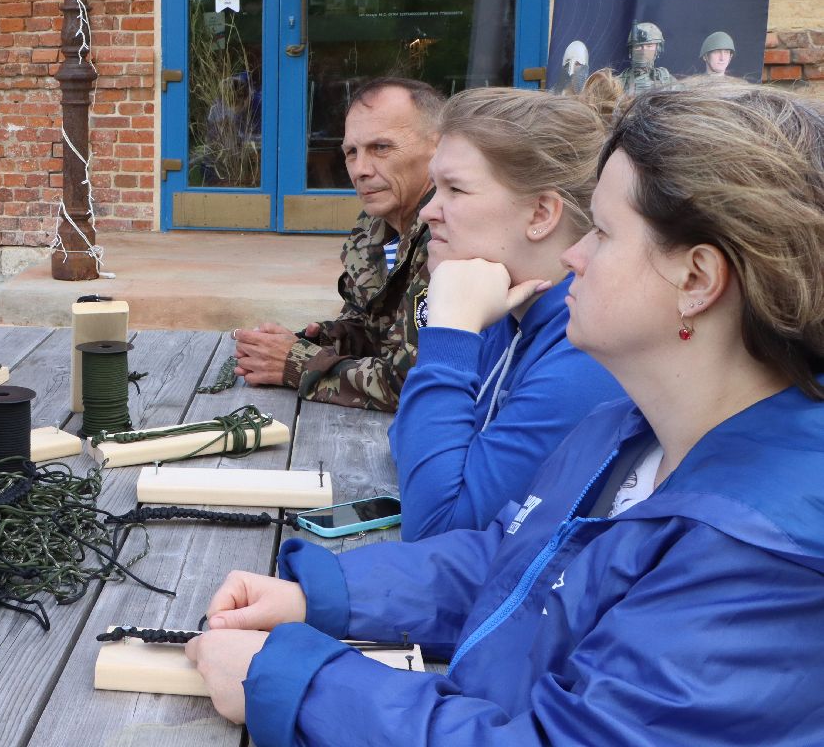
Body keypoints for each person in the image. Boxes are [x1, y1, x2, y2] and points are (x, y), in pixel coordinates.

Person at [188, 79, 824, 745]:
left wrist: (297, 682)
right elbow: (518, 559)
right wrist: (319, 593)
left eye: (603, 233)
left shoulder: (762, 557)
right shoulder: (630, 432)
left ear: (696, 280)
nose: (575, 255)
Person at [391, 88, 624, 539]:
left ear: (541, 213)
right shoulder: (509, 307)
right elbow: (405, 438)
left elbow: (436, 529)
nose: (427, 212)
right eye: (435, 188)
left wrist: (451, 332)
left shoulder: (587, 351)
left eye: (455, 189)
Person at [234, 78, 441, 411]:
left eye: (381, 148)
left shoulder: (449, 235)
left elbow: (416, 383)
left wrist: (297, 363)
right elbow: (377, 331)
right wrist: (319, 340)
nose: (359, 170)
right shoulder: (376, 224)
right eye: (351, 152)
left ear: (439, 147)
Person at [617, 20, 674, 94]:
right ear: (631, 50)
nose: (643, 51)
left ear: (658, 49)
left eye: (649, 46)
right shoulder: (619, 82)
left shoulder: (666, 80)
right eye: (637, 46)